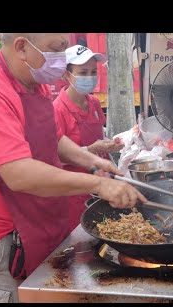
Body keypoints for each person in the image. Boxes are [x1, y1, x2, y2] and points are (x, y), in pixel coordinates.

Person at [0, 33, 145, 303]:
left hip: (43, 220)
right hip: (6, 239)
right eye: (56, 49)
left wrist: (92, 161)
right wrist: (99, 184)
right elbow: (17, 174)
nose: (60, 59)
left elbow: (51, 138)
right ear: (22, 46)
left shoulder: (34, 83)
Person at [53, 45, 124, 232]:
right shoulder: (57, 110)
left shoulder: (93, 102)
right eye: (83, 72)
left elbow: (99, 134)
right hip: (74, 191)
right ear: (66, 75)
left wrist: (111, 144)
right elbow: (56, 157)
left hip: (101, 182)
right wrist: (91, 149)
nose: (90, 77)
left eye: (93, 72)